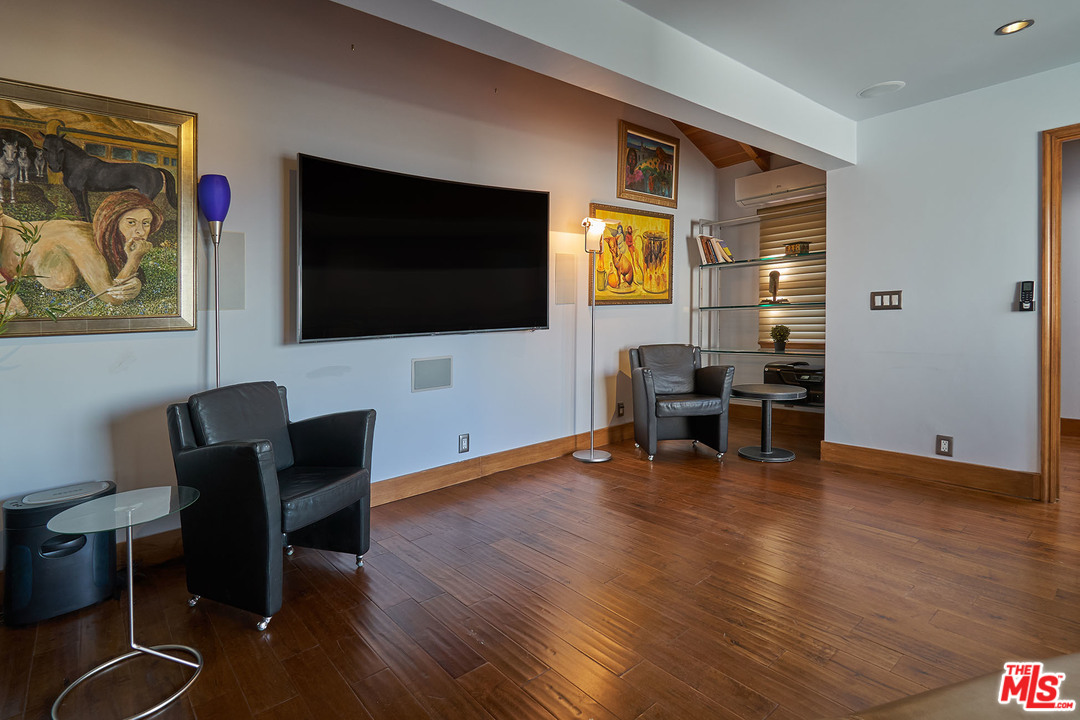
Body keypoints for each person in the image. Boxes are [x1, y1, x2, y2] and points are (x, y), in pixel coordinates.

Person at [0, 190, 160, 317]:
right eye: (131, 222)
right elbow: (112, 297)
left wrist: (134, 275)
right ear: (113, 222)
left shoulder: (107, 245)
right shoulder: (86, 243)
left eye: (146, 223)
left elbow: (117, 282)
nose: (140, 231)